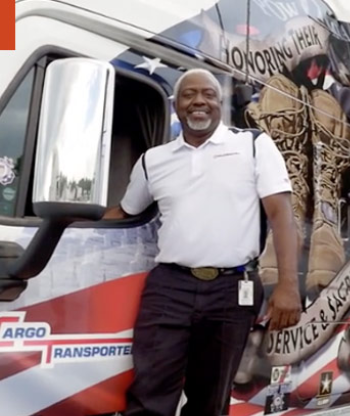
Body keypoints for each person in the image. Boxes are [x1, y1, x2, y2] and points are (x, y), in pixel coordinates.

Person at [104, 68, 302, 416]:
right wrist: (63, 218)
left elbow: (281, 216)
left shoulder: (253, 145)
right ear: (176, 105)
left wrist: (288, 285)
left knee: (210, 398)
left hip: (231, 288)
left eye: (208, 94)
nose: (199, 101)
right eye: (188, 94)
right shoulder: (154, 160)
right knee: (149, 391)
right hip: (169, 286)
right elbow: (124, 211)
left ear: (220, 102)